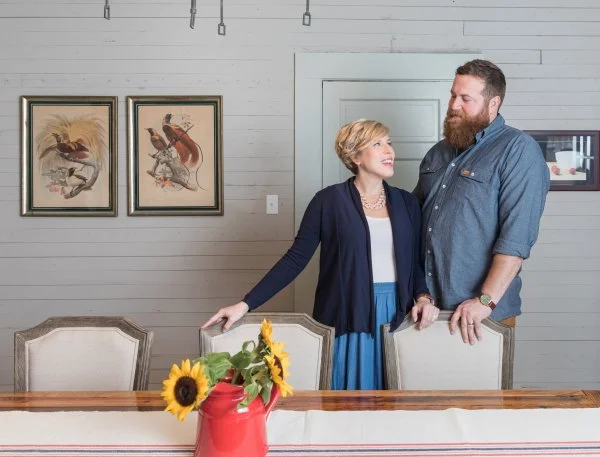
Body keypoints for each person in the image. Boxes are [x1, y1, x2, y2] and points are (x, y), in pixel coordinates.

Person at [202, 119, 439, 390]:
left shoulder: (407, 203)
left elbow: (416, 265)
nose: (389, 151)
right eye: (377, 144)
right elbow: (295, 259)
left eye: (389, 143)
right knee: (350, 406)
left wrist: (423, 297)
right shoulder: (328, 201)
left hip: (397, 315)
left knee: (395, 409)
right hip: (348, 315)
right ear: (354, 155)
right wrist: (245, 304)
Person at [412, 59, 550, 345]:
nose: (453, 105)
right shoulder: (437, 154)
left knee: (480, 392)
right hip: (426, 312)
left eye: (465, 99)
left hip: (480, 316)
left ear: (493, 103)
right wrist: (420, 294)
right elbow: (413, 225)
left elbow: (516, 239)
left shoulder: (518, 150)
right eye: (452, 95)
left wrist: (485, 301)